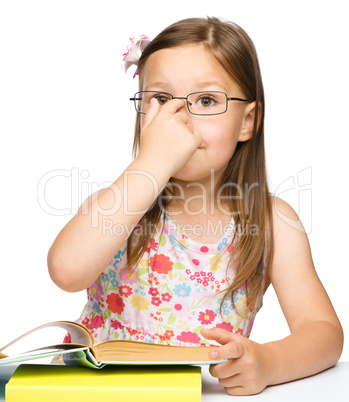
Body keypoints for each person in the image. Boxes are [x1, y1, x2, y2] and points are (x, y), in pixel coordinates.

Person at [47, 17, 343, 396]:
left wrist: (269, 362)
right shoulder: (119, 203)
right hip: (91, 391)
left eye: (206, 100)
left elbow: (324, 333)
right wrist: (152, 164)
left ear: (247, 121)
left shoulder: (272, 223)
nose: (181, 117)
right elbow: (65, 270)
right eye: (162, 99)